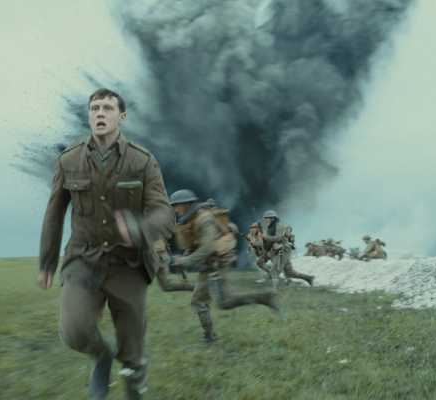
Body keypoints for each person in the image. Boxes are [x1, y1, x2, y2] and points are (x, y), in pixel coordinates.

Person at [37, 88, 175, 400]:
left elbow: (164, 213)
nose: (100, 113)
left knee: (132, 350)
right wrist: (47, 261)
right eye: (95, 108)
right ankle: (101, 356)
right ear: (89, 116)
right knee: (74, 331)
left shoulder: (142, 161)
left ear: (121, 116)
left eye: (108, 108)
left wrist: (141, 229)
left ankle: (134, 389)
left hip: (129, 264)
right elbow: (54, 213)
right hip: (83, 260)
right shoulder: (68, 160)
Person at [168, 189, 279, 343]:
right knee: (200, 301)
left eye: (176, 205)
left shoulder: (204, 220)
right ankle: (209, 337)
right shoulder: (191, 219)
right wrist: (186, 255)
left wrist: (186, 261)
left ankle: (265, 297)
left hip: (216, 263)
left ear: (187, 204)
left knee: (223, 302)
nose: (175, 209)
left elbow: (208, 247)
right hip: (209, 263)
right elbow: (196, 243)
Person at [259, 210, 314, 288]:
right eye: (265, 218)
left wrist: (265, 237)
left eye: (267, 218)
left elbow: (278, 238)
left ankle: (274, 289)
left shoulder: (279, 226)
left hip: (283, 250)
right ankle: (309, 278)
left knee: (275, 270)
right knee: (289, 273)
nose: (266, 220)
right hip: (278, 250)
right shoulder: (270, 227)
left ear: (272, 218)